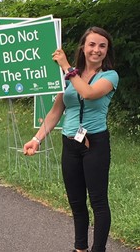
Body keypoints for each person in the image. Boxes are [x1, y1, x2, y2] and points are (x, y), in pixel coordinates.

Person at [24, 27, 119, 252]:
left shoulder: (110, 76)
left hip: (95, 144)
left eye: (102, 46)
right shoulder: (68, 78)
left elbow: (88, 93)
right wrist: (36, 139)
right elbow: (56, 112)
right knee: (76, 203)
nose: (96, 50)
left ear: (107, 50)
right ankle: (80, 248)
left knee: (98, 202)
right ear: (83, 48)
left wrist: (67, 67)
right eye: (92, 45)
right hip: (70, 144)